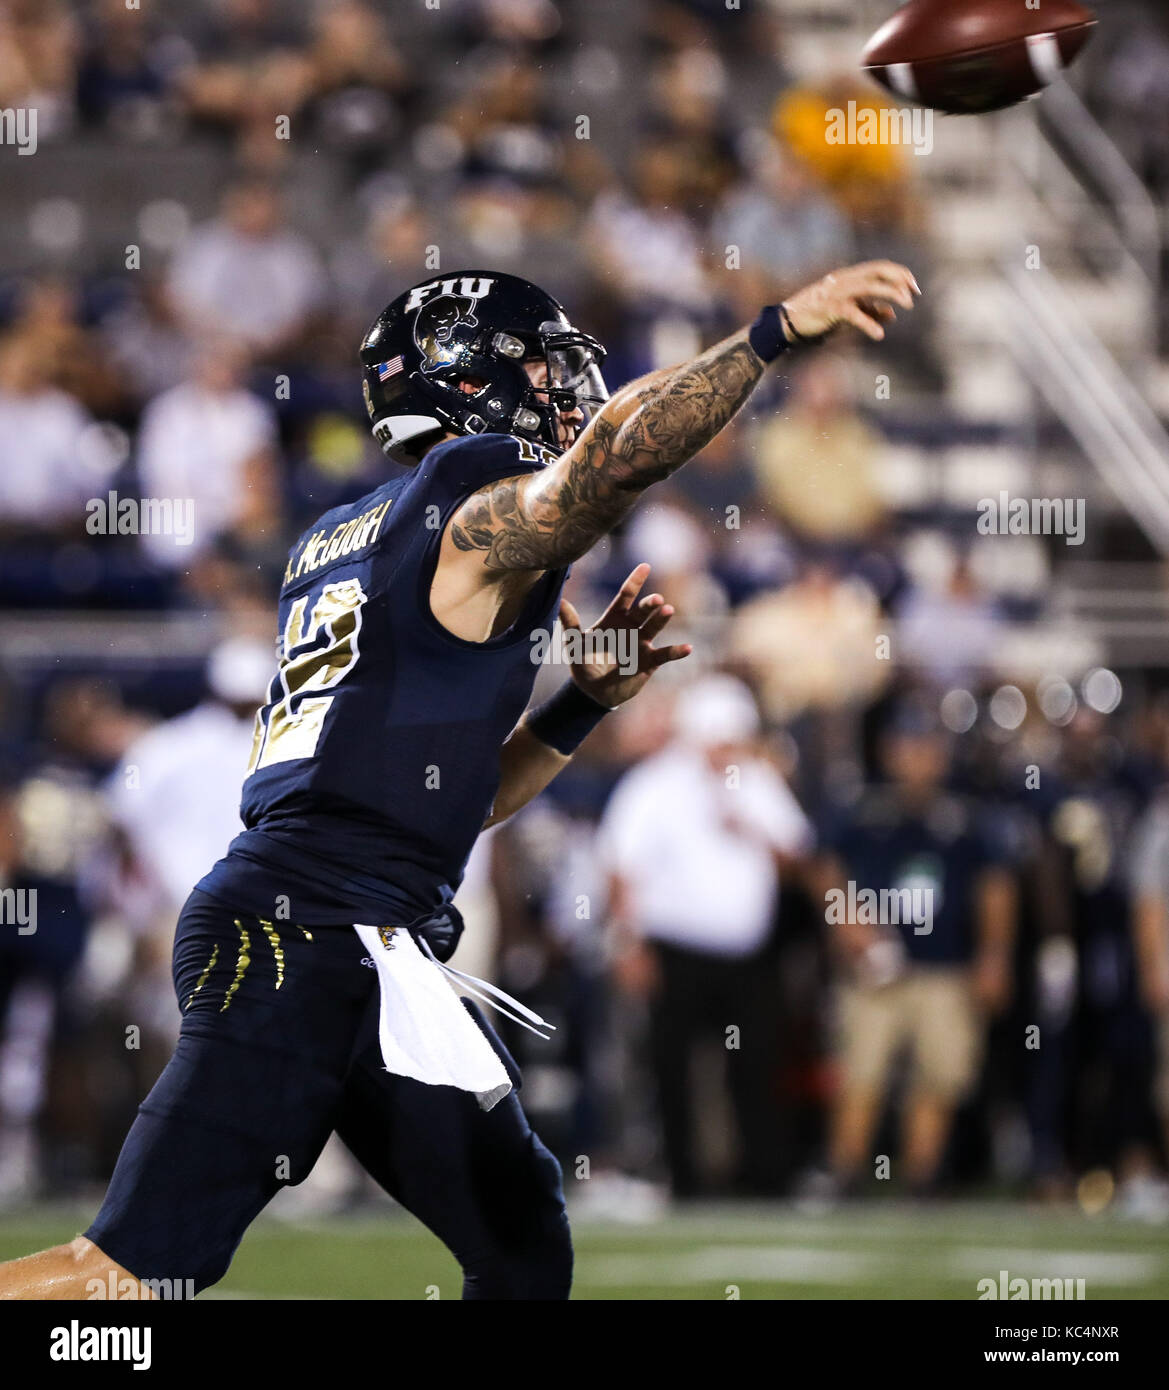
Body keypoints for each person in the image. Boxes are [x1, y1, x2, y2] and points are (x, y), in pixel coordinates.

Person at [0, 258, 918, 1299]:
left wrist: (580, 705)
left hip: (363, 936)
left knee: (519, 1248)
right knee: (125, 1280)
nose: (562, 384)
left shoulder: (345, 536)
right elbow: (612, 460)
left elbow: (455, 804)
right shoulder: (461, 495)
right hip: (305, 936)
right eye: (538, 361)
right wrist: (770, 333)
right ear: (472, 381)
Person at [598, 674, 814, 1197]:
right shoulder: (654, 783)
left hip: (746, 954)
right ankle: (684, 1180)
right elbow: (620, 867)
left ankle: (764, 1180)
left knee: (757, 1064)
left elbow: (799, 858)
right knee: (673, 1068)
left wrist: (752, 829)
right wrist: (628, 944)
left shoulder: (758, 781)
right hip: (675, 949)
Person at [819, 704, 1016, 1194]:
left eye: (926, 749)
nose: (917, 760)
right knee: (861, 1072)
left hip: (945, 967)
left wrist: (994, 956)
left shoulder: (967, 820)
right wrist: (848, 920)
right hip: (874, 971)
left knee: (939, 1076)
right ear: (890, 754)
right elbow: (822, 867)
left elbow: (995, 888)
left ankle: (920, 1180)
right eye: (908, 749)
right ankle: (845, 1175)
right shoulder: (862, 813)